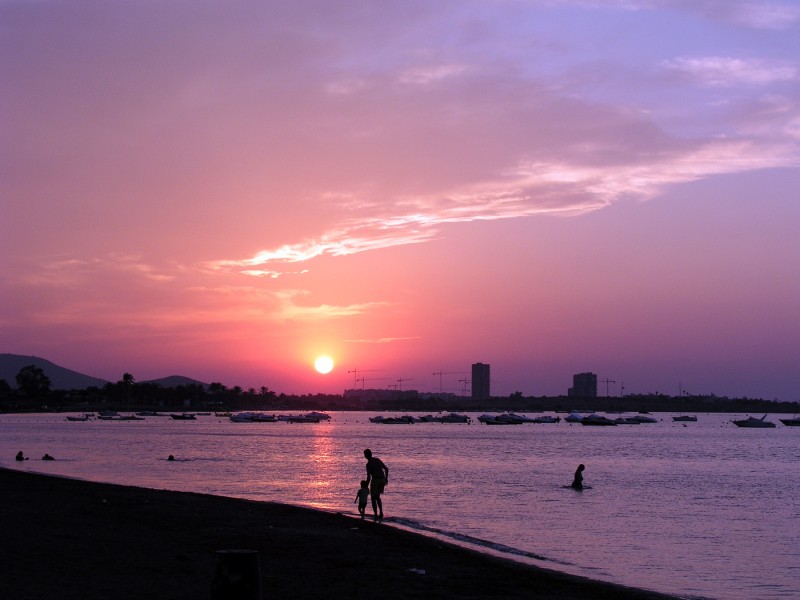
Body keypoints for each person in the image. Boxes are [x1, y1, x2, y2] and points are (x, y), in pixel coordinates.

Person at [363, 449, 389, 520]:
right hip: (382, 480)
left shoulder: (368, 465)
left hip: (375, 480)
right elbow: (386, 469)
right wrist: (386, 478)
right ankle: (380, 512)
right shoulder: (377, 460)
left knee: (373, 498)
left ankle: (376, 514)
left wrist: (366, 486)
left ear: (366, 456)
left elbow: (368, 477)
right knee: (377, 497)